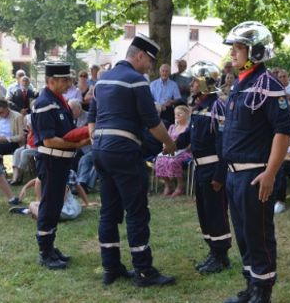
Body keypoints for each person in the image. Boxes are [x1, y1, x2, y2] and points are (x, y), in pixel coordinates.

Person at [88, 32, 177, 287]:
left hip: (101, 151)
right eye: (148, 61)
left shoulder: (102, 81)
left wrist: (97, 139)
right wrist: (169, 143)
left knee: (108, 211)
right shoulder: (137, 81)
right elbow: (152, 123)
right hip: (124, 151)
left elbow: (91, 118)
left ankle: (111, 267)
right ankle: (144, 272)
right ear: (138, 56)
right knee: (137, 212)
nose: (149, 66)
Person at [222, 21, 290, 303]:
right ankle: (251, 286)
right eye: (234, 48)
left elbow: (283, 130)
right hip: (233, 175)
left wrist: (270, 172)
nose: (233, 53)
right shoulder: (241, 83)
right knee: (243, 234)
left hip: (254, 175)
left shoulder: (268, 85)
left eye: (239, 48)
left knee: (259, 235)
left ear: (256, 51)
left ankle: (262, 293)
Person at [31, 62, 90, 270]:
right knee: (49, 205)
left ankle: (50, 246)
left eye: (68, 79)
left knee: (56, 205)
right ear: (51, 81)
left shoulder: (59, 101)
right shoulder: (44, 103)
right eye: (64, 80)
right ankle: (45, 251)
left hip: (60, 160)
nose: (68, 83)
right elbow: (48, 140)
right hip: (51, 160)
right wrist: (77, 143)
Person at [176, 62, 232, 274]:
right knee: (205, 213)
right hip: (200, 169)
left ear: (205, 83)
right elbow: (190, 136)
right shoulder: (200, 107)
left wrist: (219, 175)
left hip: (213, 169)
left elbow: (223, 144)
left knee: (216, 213)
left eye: (194, 81)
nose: (191, 84)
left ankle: (221, 255)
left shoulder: (217, 107)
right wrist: (172, 143)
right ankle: (213, 252)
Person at [154, 105, 192, 196]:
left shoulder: (189, 128)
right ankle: (168, 185)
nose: (177, 116)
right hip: (171, 150)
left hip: (186, 152)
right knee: (159, 160)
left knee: (173, 161)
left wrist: (181, 150)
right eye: (175, 114)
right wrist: (165, 145)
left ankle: (180, 185)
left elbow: (190, 144)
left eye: (180, 114)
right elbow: (166, 139)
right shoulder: (172, 127)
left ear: (187, 115)